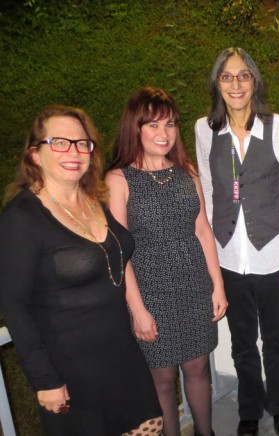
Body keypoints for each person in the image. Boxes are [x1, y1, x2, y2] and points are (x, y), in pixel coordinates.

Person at [0, 105, 163, 435]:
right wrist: (45, 381)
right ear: (34, 154)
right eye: (59, 142)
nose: (73, 151)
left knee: (150, 427)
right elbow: (15, 306)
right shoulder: (22, 219)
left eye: (81, 143)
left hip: (123, 357)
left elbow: (115, 258)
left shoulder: (93, 198)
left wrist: (138, 309)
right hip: (72, 375)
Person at [195, 47, 279, 436]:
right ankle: (249, 409)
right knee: (242, 343)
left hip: (275, 253)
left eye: (243, 75)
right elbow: (209, 193)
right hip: (229, 257)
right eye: (227, 77)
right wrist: (210, 262)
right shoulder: (204, 130)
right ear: (217, 84)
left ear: (255, 80)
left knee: (276, 340)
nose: (235, 84)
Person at [106, 87, 227, 436]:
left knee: (198, 368)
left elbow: (203, 230)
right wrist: (138, 310)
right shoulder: (119, 180)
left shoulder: (186, 172)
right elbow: (119, 251)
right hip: (150, 292)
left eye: (170, 125)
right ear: (136, 129)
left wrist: (217, 285)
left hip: (193, 285)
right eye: (153, 126)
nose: (164, 134)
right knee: (161, 379)